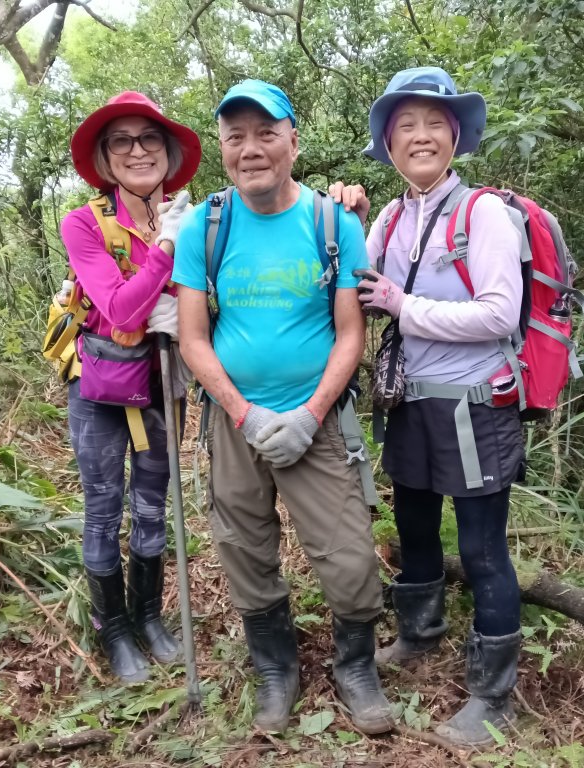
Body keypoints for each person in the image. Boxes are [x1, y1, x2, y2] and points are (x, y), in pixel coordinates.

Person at [172, 80, 395, 735]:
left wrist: (308, 413)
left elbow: (352, 332)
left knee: (350, 559)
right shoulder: (204, 226)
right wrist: (245, 414)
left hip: (318, 422)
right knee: (243, 547)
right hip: (236, 423)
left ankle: (357, 668)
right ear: (221, 148)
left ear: (293, 141)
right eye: (235, 137)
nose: (251, 149)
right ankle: (276, 668)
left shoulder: (332, 223)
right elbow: (192, 337)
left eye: (266, 133)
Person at [356, 66, 526, 746]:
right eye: (405, 126)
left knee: (483, 550)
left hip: (475, 407)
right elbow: (348, 281)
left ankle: (494, 696)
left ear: (454, 136)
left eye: (433, 123)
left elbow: (499, 314)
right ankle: (419, 638)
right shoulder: (393, 218)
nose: (420, 136)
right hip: (412, 407)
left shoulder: (480, 213)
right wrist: (342, 218)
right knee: (417, 530)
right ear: (389, 145)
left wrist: (404, 307)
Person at [61, 91, 199, 684]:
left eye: (149, 139)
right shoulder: (84, 224)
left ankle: (148, 616)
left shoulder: (196, 219)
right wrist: (166, 248)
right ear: (107, 158)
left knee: (151, 505)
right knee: (103, 509)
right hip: (100, 385)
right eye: (123, 140)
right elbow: (117, 307)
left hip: (163, 379)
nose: (138, 150)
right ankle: (112, 628)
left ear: (168, 153)